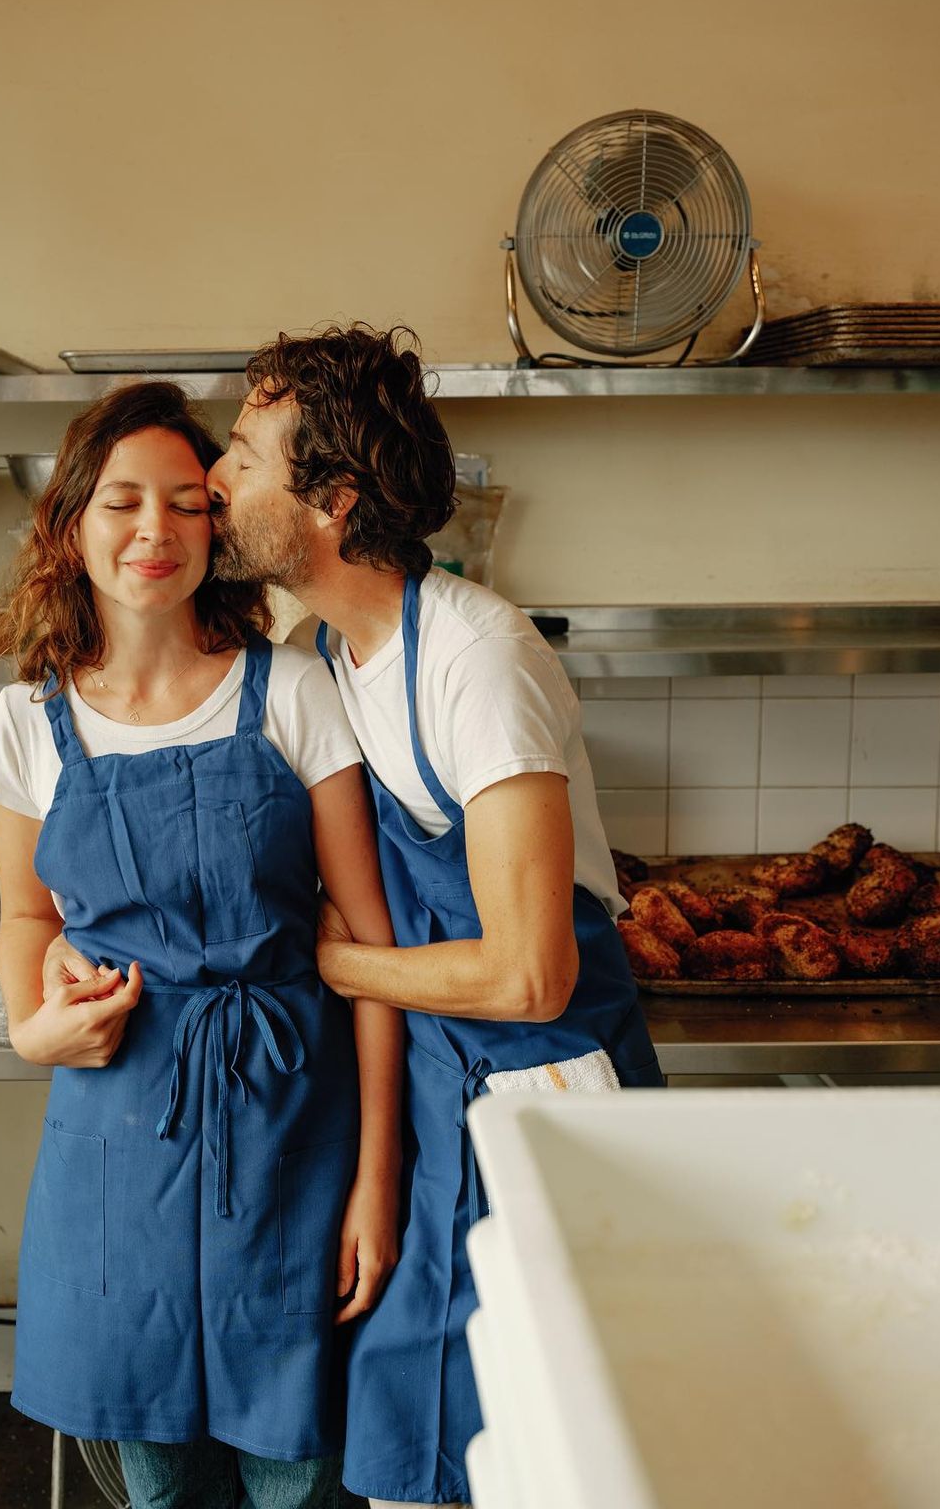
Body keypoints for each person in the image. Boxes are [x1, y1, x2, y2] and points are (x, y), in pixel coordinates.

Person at [203, 325, 666, 1508]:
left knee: (540, 1435)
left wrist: (340, 965)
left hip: (544, 1096)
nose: (215, 480)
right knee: (421, 1428)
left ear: (331, 498)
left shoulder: (475, 658)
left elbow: (527, 977)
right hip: (441, 1088)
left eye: (243, 456)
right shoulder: (335, 653)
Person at [0, 381, 403, 1509]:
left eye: (183, 502)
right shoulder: (25, 721)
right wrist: (33, 1028)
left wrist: (374, 1179)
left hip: (292, 1122)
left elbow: (366, 940)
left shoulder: (292, 692)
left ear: (218, 526)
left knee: (289, 1454)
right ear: (71, 525)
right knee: (150, 1467)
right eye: (120, 502)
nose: (153, 530)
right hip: (118, 1132)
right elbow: (28, 916)